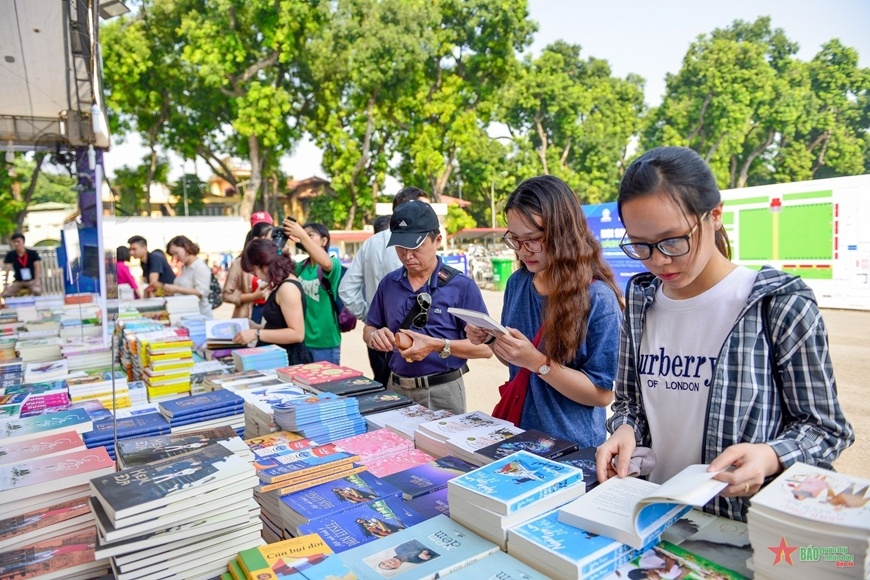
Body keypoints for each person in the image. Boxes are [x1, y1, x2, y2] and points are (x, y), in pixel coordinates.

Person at [596, 146, 854, 522]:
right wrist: (624, 430)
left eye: (672, 241)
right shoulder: (641, 297)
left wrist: (770, 457)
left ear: (714, 216)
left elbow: (825, 429)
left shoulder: (777, 303)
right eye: (640, 244)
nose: (658, 260)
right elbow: (630, 403)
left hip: (737, 526)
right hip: (653, 513)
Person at [465, 176, 622, 448]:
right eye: (515, 239)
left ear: (563, 233)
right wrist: (493, 339)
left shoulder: (598, 299)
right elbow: (517, 364)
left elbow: (601, 394)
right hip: (517, 435)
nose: (524, 250)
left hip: (570, 447)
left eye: (534, 239)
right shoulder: (517, 282)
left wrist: (538, 362)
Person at [365, 200, 492, 415]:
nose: (407, 255)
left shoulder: (461, 286)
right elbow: (370, 328)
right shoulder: (389, 283)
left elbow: (486, 348)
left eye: (415, 246)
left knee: (443, 450)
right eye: (400, 247)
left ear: (438, 240)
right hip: (395, 387)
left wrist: (437, 345)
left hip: (442, 390)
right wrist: (375, 336)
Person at [339, 187, 430, 385]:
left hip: (378, 336)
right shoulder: (417, 245)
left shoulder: (370, 243)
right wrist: (370, 318)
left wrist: (371, 318)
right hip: (409, 338)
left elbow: (346, 289)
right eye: (424, 207)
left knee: (383, 396)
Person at [232, 238, 312, 365]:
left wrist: (256, 333)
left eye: (254, 271)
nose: (254, 276)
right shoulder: (281, 284)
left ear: (263, 265)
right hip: (277, 355)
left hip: (287, 359)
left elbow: (297, 334)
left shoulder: (287, 288)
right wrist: (256, 327)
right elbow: (280, 325)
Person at [283, 220, 342, 365]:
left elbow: (326, 263)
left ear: (324, 240)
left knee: (327, 386)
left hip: (325, 343)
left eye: (310, 235)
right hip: (303, 341)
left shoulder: (333, 264)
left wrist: (302, 235)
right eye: (304, 235)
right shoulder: (300, 267)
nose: (305, 238)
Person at [223, 221, 273, 322]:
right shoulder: (239, 263)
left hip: (271, 314)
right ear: (256, 240)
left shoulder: (274, 261)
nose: (273, 242)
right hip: (248, 315)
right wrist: (253, 296)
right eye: (270, 238)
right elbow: (226, 295)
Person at [162, 235, 213, 318]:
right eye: (172, 255)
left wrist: (176, 289)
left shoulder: (200, 267)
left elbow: (201, 292)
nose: (175, 257)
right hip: (186, 312)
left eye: (176, 253)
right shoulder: (185, 267)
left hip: (199, 314)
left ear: (186, 247)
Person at [2, 233, 42, 297]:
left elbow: (37, 266)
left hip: (31, 281)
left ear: (23, 242)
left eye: (18, 242)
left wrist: (36, 280)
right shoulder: (11, 254)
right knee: (5, 294)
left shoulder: (32, 253)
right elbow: (7, 269)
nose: (16, 244)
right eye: (14, 242)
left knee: (37, 291)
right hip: (18, 281)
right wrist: (6, 284)